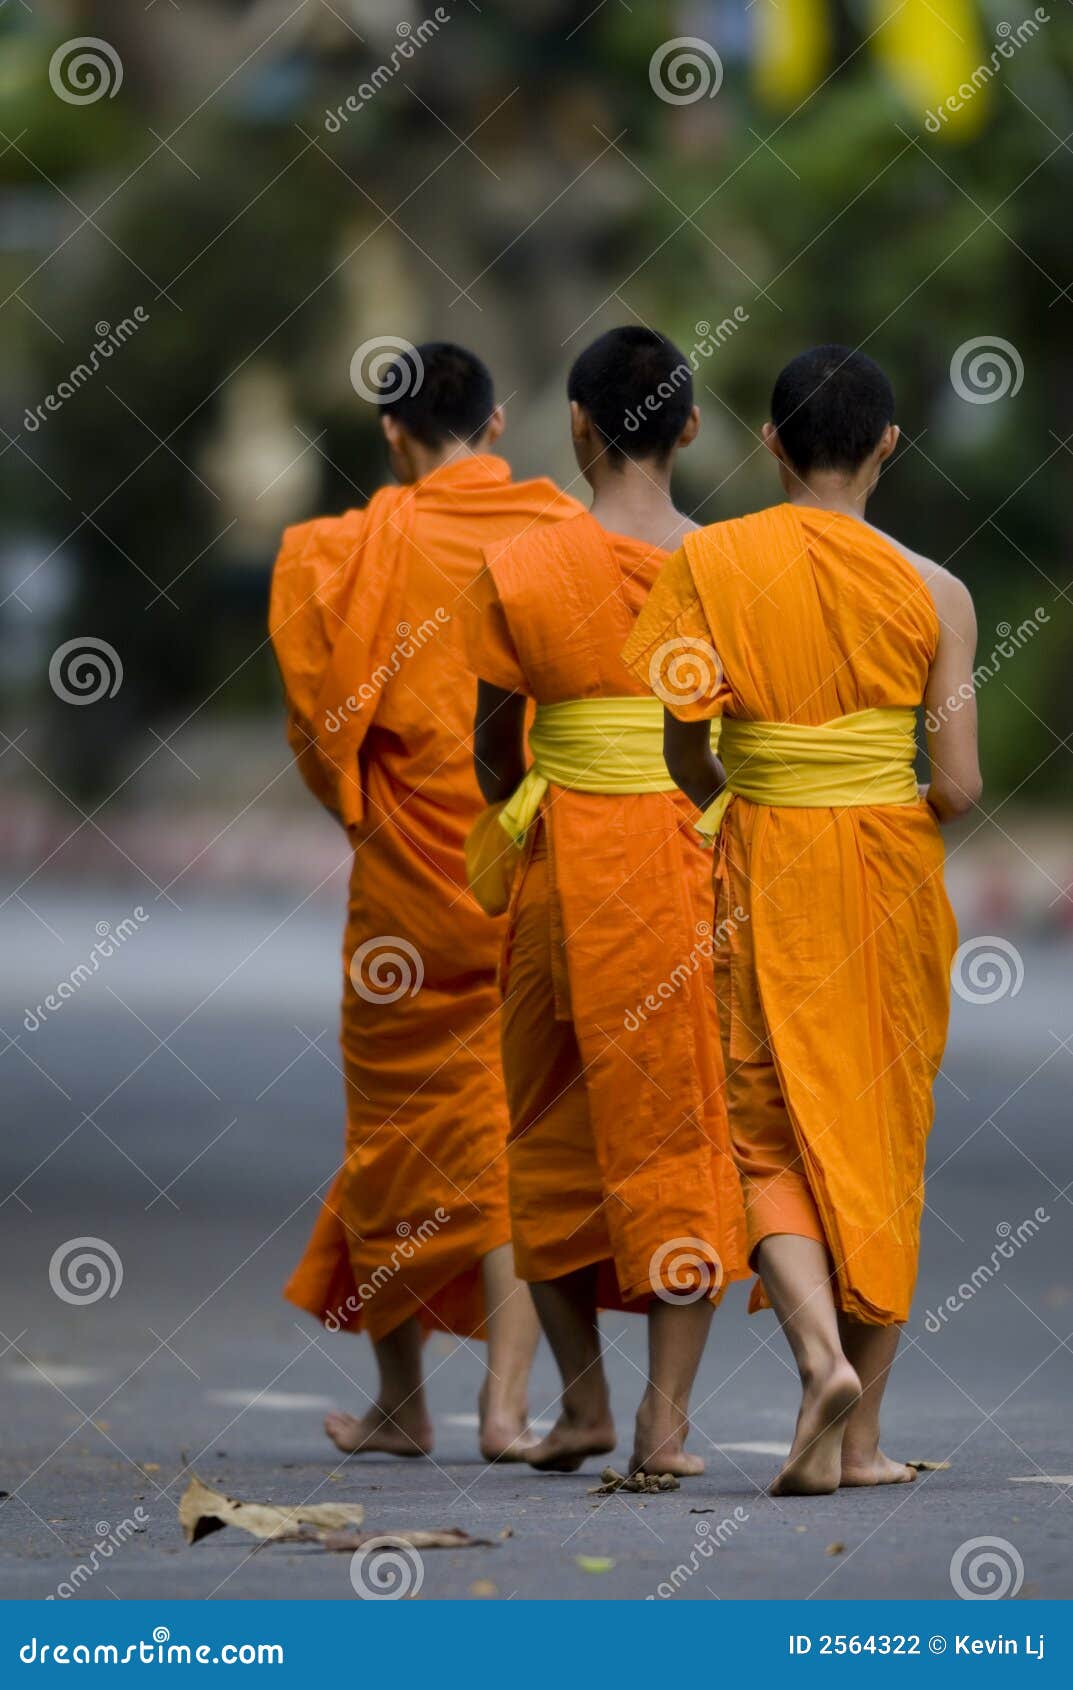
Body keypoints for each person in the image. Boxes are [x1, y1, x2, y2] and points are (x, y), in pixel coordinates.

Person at [624, 344, 981, 1494]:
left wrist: (739, 795)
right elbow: (962, 786)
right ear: (886, 445)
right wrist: (877, 795)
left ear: (769, 444)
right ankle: (859, 1436)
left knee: (763, 1129)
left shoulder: (709, 563)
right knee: (879, 1132)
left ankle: (815, 1357)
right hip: (885, 864)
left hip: (763, 856)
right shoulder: (937, 592)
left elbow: (683, 738)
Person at [269, 341, 582, 1462]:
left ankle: (404, 1404)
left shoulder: (337, 552)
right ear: (496, 425)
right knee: (507, 1131)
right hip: (530, 860)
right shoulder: (559, 532)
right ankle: (507, 1401)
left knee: (394, 1134)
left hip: (406, 884)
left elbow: (319, 729)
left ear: (393, 435)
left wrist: (358, 808)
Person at [465, 326, 748, 1477]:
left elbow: (492, 749)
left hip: (562, 868)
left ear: (575, 427)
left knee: (541, 1123)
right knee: (683, 1119)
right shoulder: (728, 569)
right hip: (686, 861)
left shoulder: (521, 567)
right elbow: (739, 742)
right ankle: (660, 1421)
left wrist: (539, 792)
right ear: (687, 428)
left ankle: (580, 1400)